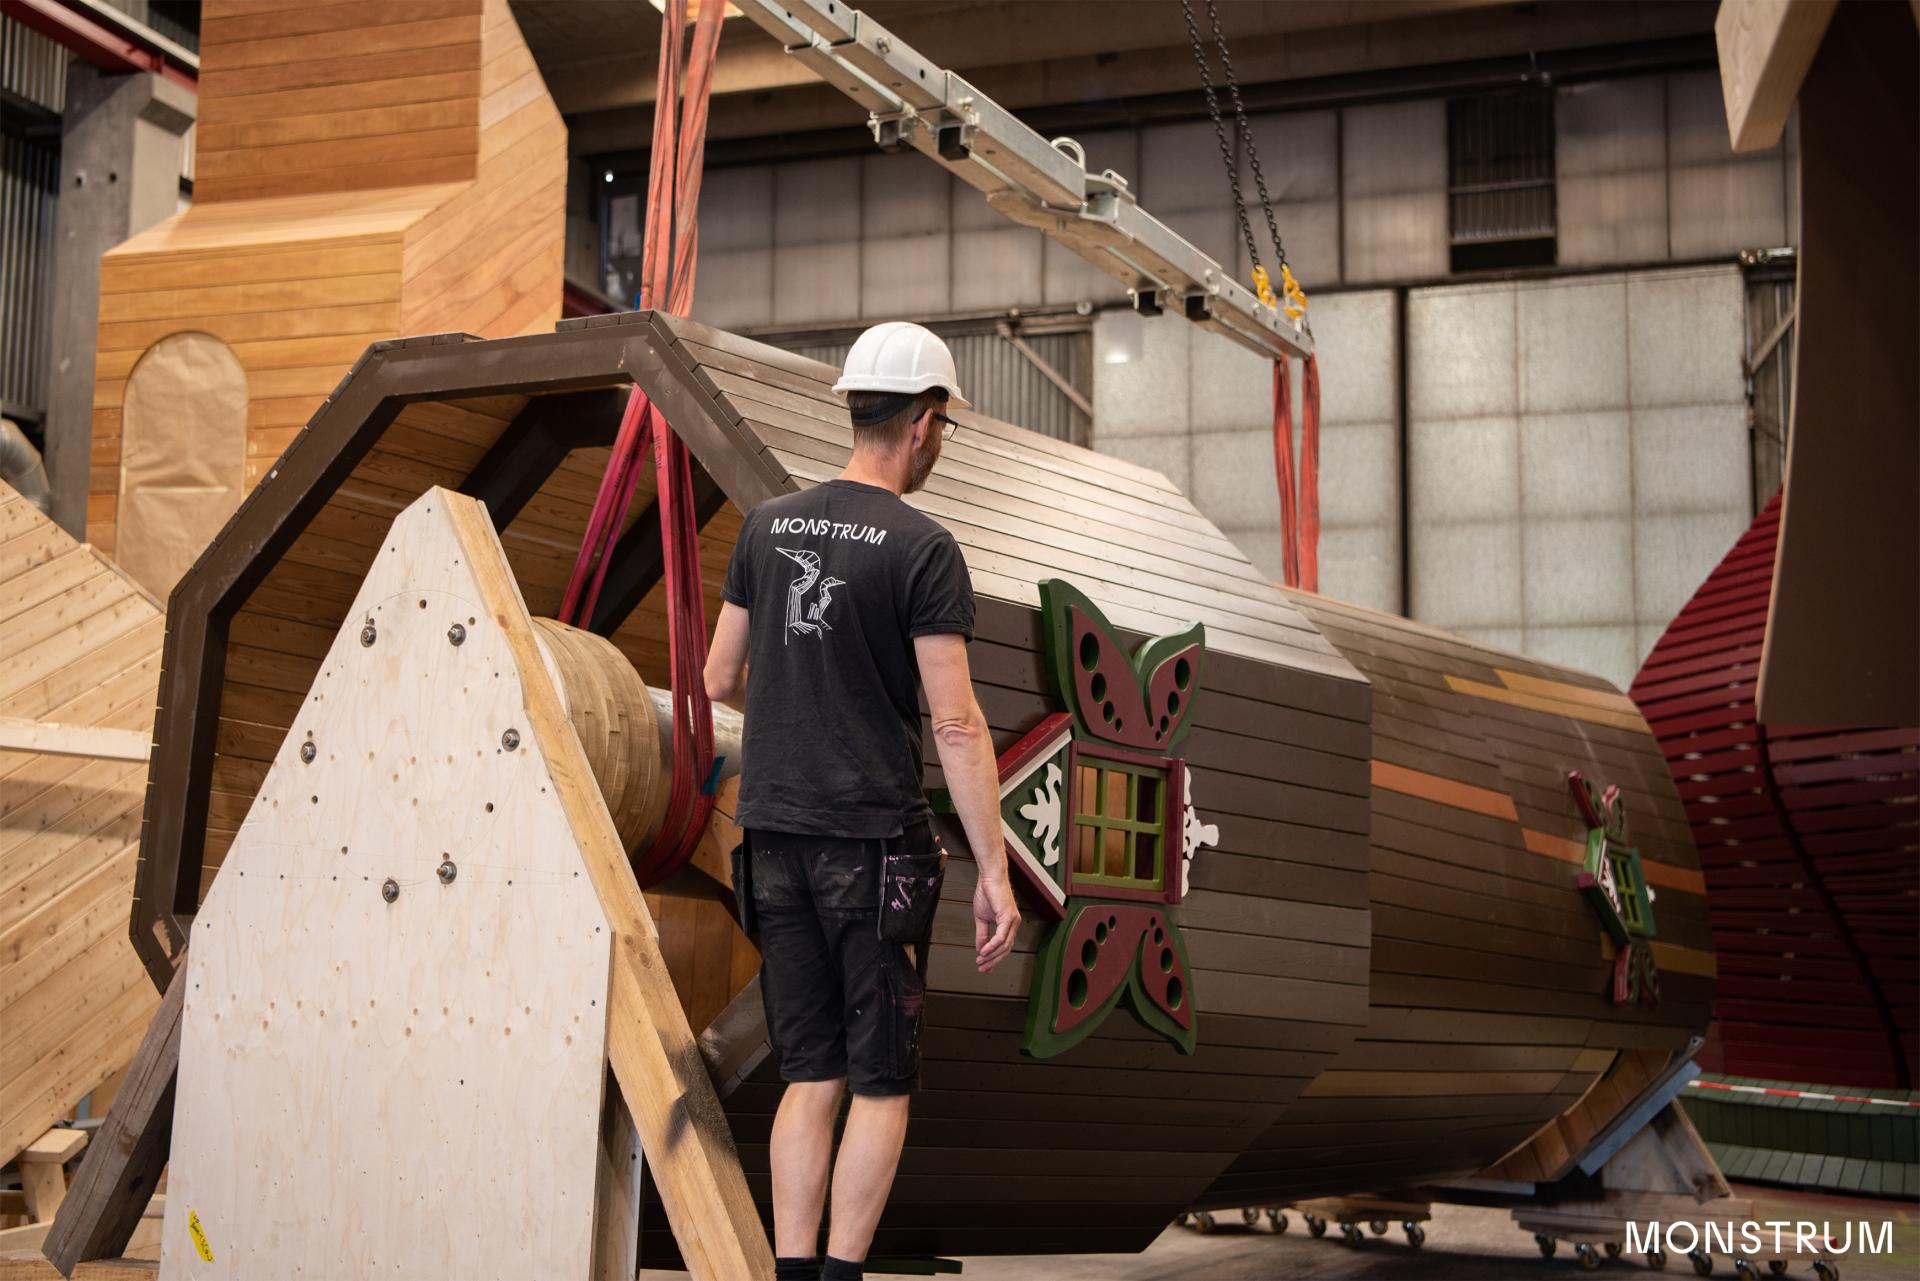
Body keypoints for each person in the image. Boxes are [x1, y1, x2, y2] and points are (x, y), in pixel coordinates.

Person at [704, 321, 1021, 1281]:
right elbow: (958, 726)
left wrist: (802, 710)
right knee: (880, 1081)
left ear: (855, 405)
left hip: (772, 841)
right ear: (924, 424)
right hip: (873, 851)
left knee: (811, 1072)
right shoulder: (924, 548)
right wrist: (996, 870)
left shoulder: (767, 525)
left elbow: (718, 676)